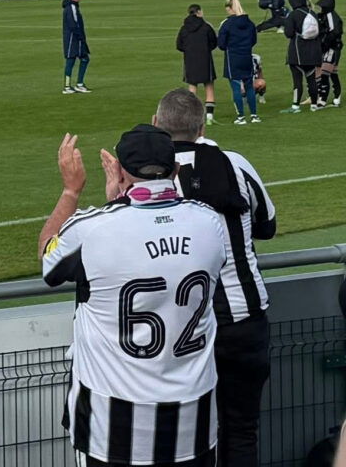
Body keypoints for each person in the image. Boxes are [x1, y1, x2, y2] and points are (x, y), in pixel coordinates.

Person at [40, 127, 228, 467]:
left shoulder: (93, 229)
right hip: (194, 420)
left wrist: (71, 191)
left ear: (122, 171)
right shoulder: (209, 223)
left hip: (113, 425)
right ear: (175, 170)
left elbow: (49, 261)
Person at [154, 89, 276, 467]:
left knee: (182, 436)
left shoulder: (148, 176)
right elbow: (267, 225)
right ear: (202, 126)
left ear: (157, 125)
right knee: (241, 429)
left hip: (178, 329)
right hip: (243, 318)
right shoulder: (234, 163)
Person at [217, 0, 260, 124]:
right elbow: (254, 40)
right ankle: (254, 115)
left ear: (230, 8)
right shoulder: (249, 23)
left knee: (236, 87)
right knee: (249, 87)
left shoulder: (226, 24)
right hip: (246, 56)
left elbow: (221, 44)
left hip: (233, 58)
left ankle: (240, 117)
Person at [282, 0, 323, 113]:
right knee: (312, 79)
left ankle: (295, 106)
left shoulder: (293, 15)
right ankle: (314, 105)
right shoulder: (313, 13)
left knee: (297, 80)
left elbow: (288, 34)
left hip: (298, 52)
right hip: (314, 52)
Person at [176, 4, 219, 124]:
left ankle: (192, 117)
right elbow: (214, 42)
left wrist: (189, 51)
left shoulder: (184, 28)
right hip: (205, 59)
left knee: (192, 88)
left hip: (190, 60)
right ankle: (209, 117)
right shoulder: (206, 26)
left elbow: (179, 45)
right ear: (199, 12)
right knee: (209, 86)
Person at [62, 0, 92, 94]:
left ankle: (78, 84)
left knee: (84, 58)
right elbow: (73, 24)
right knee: (71, 61)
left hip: (76, 38)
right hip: (73, 39)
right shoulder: (71, 7)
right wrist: (80, 37)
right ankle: (67, 87)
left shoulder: (73, 6)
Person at [317, 0, 343, 107]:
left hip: (332, 48)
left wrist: (323, 44)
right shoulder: (326, 16)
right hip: (331, 47)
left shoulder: (332, 17)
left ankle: (323, 98)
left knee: (325, 72)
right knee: (332, 73)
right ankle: (337, 95)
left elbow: (333, 33)